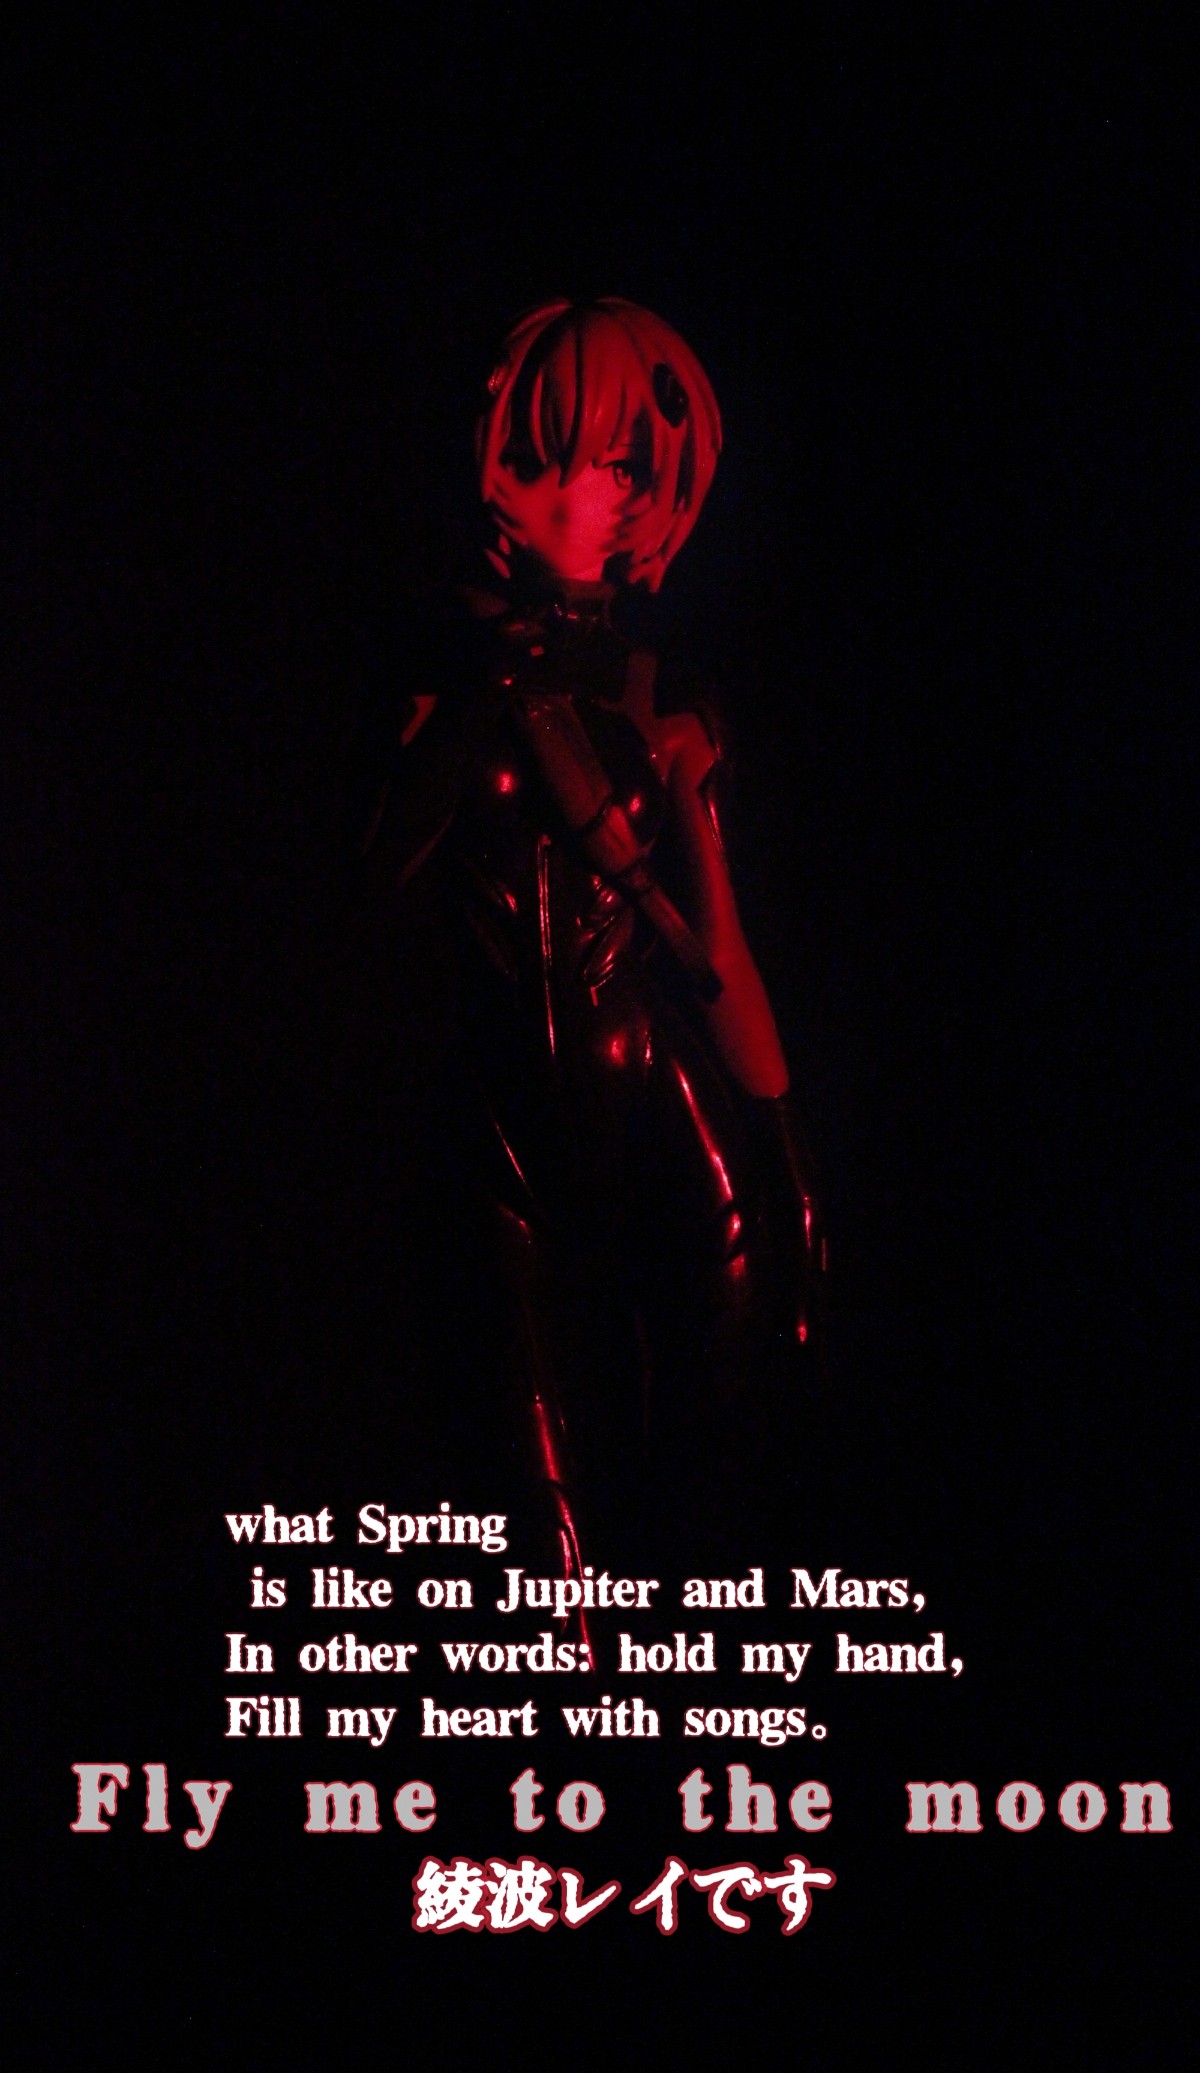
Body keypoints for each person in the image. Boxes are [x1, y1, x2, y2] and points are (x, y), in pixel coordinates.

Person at [363, 298, 824, 1575]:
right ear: (506, 456)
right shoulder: (436, 663)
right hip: (489, 1120)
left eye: (637, 471)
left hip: (658, 1105)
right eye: (580, 456)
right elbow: (372, 877)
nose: (612, 496)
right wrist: (476, 702)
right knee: (533, 1526)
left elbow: (716, 947)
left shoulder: (660, 696)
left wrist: (780, 1152)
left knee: (706, 1473)